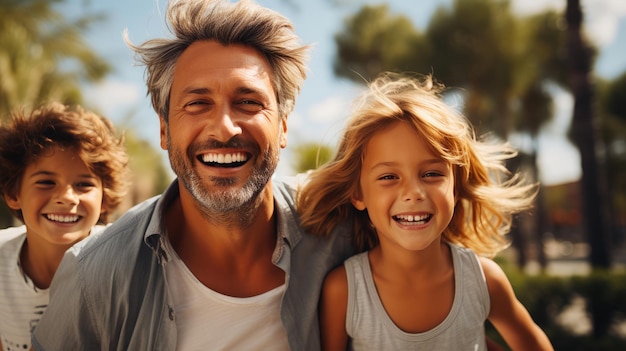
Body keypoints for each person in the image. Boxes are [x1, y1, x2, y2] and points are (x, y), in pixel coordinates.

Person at [31, 0, 354, 350]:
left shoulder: (345, 230)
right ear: (164, 130)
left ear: (283, 126)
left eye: (248, 102)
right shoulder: (93, 276)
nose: (224, 128)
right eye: (198, 103)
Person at [297, 72, 554, 350]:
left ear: (455, 188)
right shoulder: (344, 291)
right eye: (388, 177)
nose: (414, 193)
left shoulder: (484, 279)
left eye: (431, 173)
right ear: (358, 194)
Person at [0, 102, 129, 351]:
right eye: (46, 182)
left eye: (84, 185)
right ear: (14, 193)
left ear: (104, 199)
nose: (67, 197)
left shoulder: (125, 264)